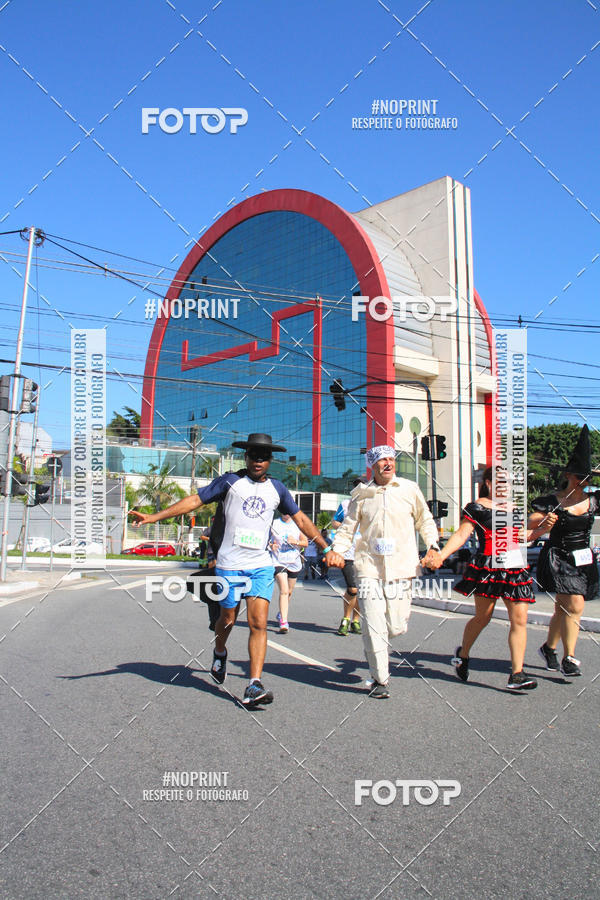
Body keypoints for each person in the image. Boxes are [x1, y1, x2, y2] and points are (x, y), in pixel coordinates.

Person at [130, 433, 328, 707]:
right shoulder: (230, 482)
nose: (258, 461)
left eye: (264, 457)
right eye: (253, 455)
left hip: (260, 566)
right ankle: (220, 651)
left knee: (259, 623)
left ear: (270, 461)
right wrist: (154, 516)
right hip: (229, 566)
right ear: (245, 457)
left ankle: (253, 684)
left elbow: (301, 519)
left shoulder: (278, 489)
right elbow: (194, 501)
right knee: (228, 620)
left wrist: (325, 547)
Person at [326, 445, 440, 699]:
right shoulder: (361, 494)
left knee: (396, 626)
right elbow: (347, 528)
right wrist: (336, 550)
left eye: (391, 459)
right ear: (373, 466)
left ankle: (378, 643)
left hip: (402, 566)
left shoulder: (409, 489)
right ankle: (380, 679)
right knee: (374, 625)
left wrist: (433, 546)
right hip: (368, 568)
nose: (388, 464)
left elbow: (425, 520)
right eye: (382, 460)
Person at [429, 466, 541, 691]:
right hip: (488, 566)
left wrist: (540, 530)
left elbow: (523, 538)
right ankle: (463, 654)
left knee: (519, 620)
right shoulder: (477, 506)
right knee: (483, 618)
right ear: (489, 483)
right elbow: (462, 535)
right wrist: (441, 555)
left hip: (514, 566)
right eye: (500, 481)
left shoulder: (515, 508)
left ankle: (517, 674)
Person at [529, 425, 600, 677]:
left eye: (588, 477)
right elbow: (530, 522)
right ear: (569, 475)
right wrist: (543, 523)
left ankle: (549, 648)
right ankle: (570, 658)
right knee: (575, 605)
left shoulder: (593, 500)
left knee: (563, 607)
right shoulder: (552, 500)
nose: (585, 482)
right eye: (580, 476)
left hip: (583, 558)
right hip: (559, 557)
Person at [331, 480, 366, 636]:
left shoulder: (371, 505)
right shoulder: (345, 504)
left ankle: (356, 621)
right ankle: (345, 619)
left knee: (361, 590)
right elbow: (334, 522)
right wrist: (346, 526)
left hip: (365, 553)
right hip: (347, 553)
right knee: (352, 588)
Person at [269, 513, 307, 633]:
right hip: (278, 561)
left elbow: (305, 542)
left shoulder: (297, 524)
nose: (286, 513)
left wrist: (295, 541)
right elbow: (265, 540)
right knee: (284, 590)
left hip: (293, 562)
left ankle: (281, 614)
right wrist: (271, 545)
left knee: (289, 592)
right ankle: (284, 622)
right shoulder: (274, 523)